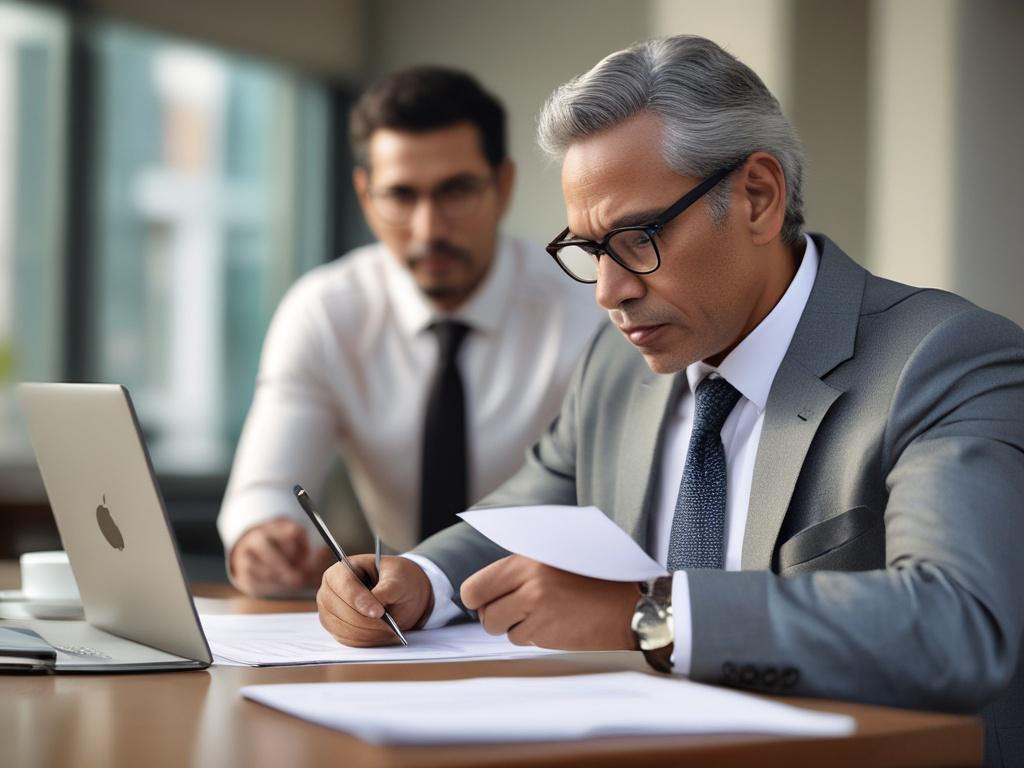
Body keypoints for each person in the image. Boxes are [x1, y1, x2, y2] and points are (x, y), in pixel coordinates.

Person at [316, 37, 1024, 764]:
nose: (608, 291)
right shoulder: (619, 369)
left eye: (637, 237)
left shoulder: (945, 358)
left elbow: (960, 626)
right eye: (590, 250)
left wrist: (647, 616)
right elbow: (532, 508)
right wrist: (423, 580)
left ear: (758, 195)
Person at [218, 66, 601, 597]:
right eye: (401, 196)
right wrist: (261, 537)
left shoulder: (590, 309)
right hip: (397, 612)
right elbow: (265, 488)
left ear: (504, 185)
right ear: (365, 196)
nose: (429, 229)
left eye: (457, 190)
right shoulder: (326, 310)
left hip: (554, 601)